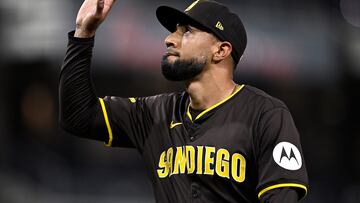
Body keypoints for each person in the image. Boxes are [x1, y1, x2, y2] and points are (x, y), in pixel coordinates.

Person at [59, 0, 309, 202]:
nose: (169, 39)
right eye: (173, 31)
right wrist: (84, 33)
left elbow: (281, 196)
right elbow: (79, 117)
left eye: (187, 31)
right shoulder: (155, 113)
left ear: (221, 50)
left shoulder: (265, 114)